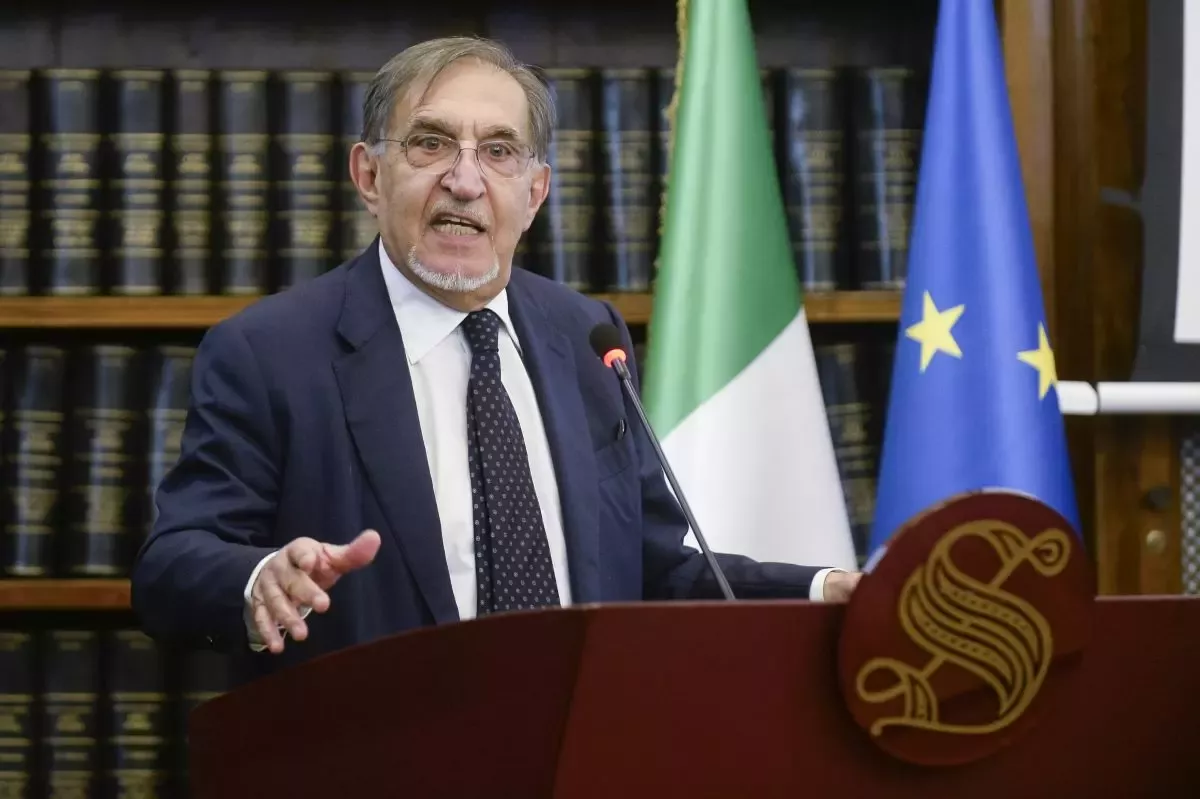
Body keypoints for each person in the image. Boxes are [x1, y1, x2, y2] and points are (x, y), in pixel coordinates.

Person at [130, 36, 861, 684]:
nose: (465, 179)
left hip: (581, 754)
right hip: (381, 757)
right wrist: (259, 577)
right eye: (430, 143)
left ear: (534, 192)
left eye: (500, 151)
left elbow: (653, 569)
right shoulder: (269, 352)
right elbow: (169, 569)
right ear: (369, 176)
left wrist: (820, 590)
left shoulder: (587, 336)